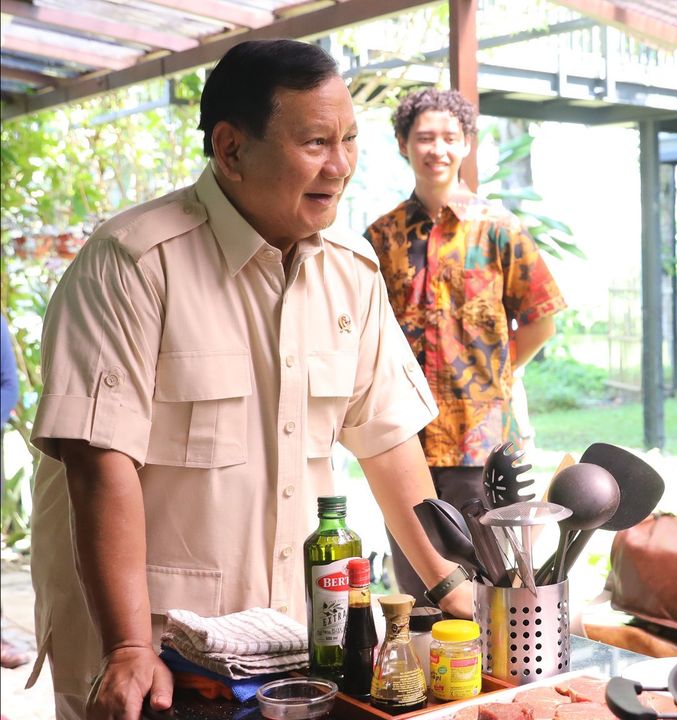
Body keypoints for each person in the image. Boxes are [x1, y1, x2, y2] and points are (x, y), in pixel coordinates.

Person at [27, 39, 472, 720]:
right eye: (317, 142)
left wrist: (449, 584)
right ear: (231, 149)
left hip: (289, 646)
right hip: (156, 652)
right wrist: (125, 647)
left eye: (349, 140)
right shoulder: (133, 264)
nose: (341, 165)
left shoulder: (350, 270)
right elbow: (98, 463)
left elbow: (383, 438)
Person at [364, 89, 565, 602]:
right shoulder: (380, 238)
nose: (438, 149)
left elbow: (541, 320)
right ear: (403, 144)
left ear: (467, 144)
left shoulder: (499, 230)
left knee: (488, 583)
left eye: (450, 138)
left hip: (479, 445)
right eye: (425, 137)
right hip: (403, 438)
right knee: (418, 579)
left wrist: (499, 377)